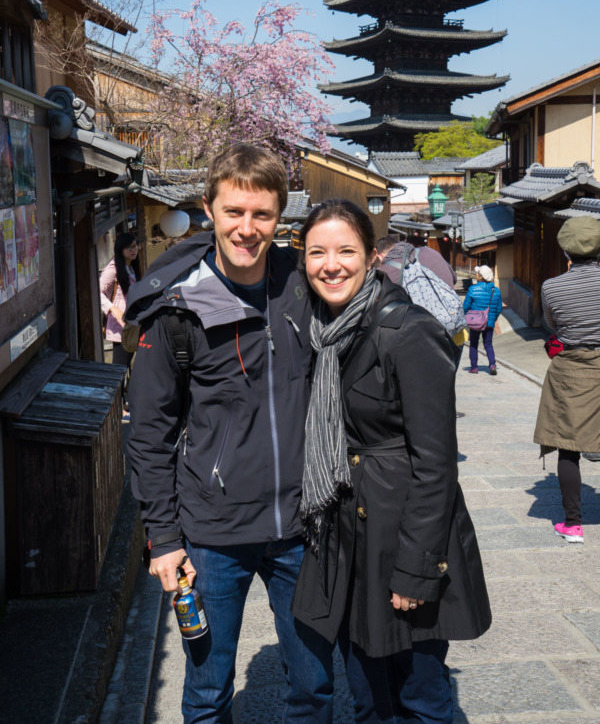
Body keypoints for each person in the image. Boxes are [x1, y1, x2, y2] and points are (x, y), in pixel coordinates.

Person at [125, 144, 333, 724]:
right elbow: (149, 433)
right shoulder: (177, 309)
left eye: (262, 214)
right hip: (212, 534)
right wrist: (163, 539)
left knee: (314, 686)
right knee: (208, 693)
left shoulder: (303, 284)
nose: (247, 228)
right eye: (234, 212)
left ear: (280, 218)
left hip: (301, 526)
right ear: (209, 210)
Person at [292, 199, 491, 724]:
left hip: (403, 537)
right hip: (346, 539)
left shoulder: (408, 329)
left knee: (419, 698)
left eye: (345, 251)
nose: (330, 264)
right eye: (317, 251)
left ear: (372, 255)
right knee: (366, 697)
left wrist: (416, 570)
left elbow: (436, 464)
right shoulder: (318, 330)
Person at [534, 215, 600, 545]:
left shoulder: (552, 286)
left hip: (572, 368)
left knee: (568, 447)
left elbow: (551, 324)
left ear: (566, 252)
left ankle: (573, 524)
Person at [99, 232, 140, 370]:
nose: (133, 250)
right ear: (120, 249)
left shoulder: (132, 266)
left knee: (127, 365)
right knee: (119, 368)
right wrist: (112, 309)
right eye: (129, 247)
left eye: (135, 246)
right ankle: (117, 392)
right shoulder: (113, 268)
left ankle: (123, 391)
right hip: (119, 325)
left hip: (132, 323)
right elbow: (97, 291)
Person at [463, 265, 502, 374]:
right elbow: (499, 308)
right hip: (489, 321)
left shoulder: (472, 289)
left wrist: (465, 316)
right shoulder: (496, 291)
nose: (476, 275)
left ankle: (474, 367)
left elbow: (466, 306)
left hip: (475, 321)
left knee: (474, 343)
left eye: (478, 273)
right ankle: (492, 365)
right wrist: (493, 318)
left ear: (480, 277)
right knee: (488, 344)